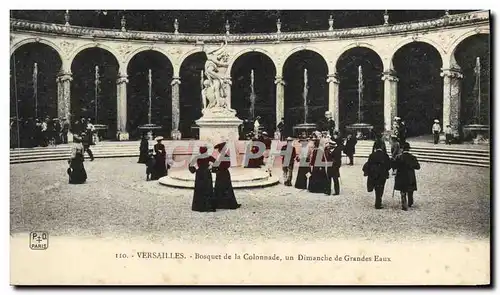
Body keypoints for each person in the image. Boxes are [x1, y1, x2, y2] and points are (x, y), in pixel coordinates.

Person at [393, 142, 421, 211]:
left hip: (401, 176)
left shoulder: (398, 157)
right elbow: (418, 167)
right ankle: (410, 202)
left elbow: (394, 166)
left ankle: (404, 202)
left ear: (402, 149)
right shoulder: (412, 157)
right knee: (410, 189)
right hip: (410, 176)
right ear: (409, 149)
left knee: (403, 190)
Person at [213, 142, 241, 209]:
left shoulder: (221, 156)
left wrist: (215, 168)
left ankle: (222, 204)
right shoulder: (224, 156)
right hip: (223, 173)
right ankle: (224, 204)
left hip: (222, 174)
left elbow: (221, 165)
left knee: (221, 188)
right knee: (225, 188)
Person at [362, 145, 391, 209]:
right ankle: (378, 202)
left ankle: (378, 200)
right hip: (382, 174)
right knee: (381, 187)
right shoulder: (385, 155)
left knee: (376, 187)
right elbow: (389, 165)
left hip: (374, 174)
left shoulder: (372, 155)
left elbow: (368, 164)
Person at [189, 146, 216, 212]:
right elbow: (217, 163)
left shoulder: (197, 157)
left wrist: (195, 170)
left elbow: (190, 165)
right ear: (206, 151)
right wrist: (212, 168)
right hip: (206, 173)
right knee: (208, 188)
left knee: (199, 189)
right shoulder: (209, 157)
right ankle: (208, 205)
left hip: (199, 173)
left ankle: (199, 206)